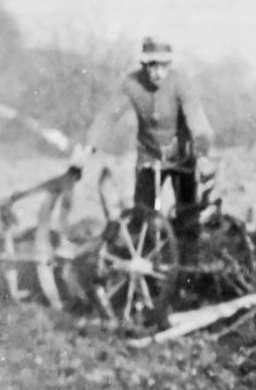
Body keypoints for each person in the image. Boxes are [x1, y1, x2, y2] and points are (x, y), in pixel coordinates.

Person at [76, 37, 216, 251]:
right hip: (149, 158)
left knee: (187, 216)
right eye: (153, 66)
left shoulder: (179, 83)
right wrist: (90, 144)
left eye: (164, 66)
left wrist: (203, 152)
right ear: (144, 65)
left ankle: (188, 259)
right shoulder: (131, 84)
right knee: (142, 216)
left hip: (181, 158)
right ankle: (146, 256)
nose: (158, 73)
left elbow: (196, 118)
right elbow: (108, 115)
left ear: (170, 65)